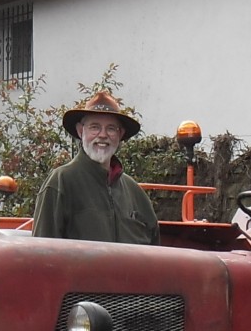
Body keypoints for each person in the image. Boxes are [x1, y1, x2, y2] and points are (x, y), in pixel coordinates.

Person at [32, 91, 161, 244]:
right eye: (95, 127)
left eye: (111, 128)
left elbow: (154, 250)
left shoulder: (135, 193)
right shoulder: (60, 183)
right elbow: (42, 253)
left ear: (120, 135)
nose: (103, 135)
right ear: (81, 131)